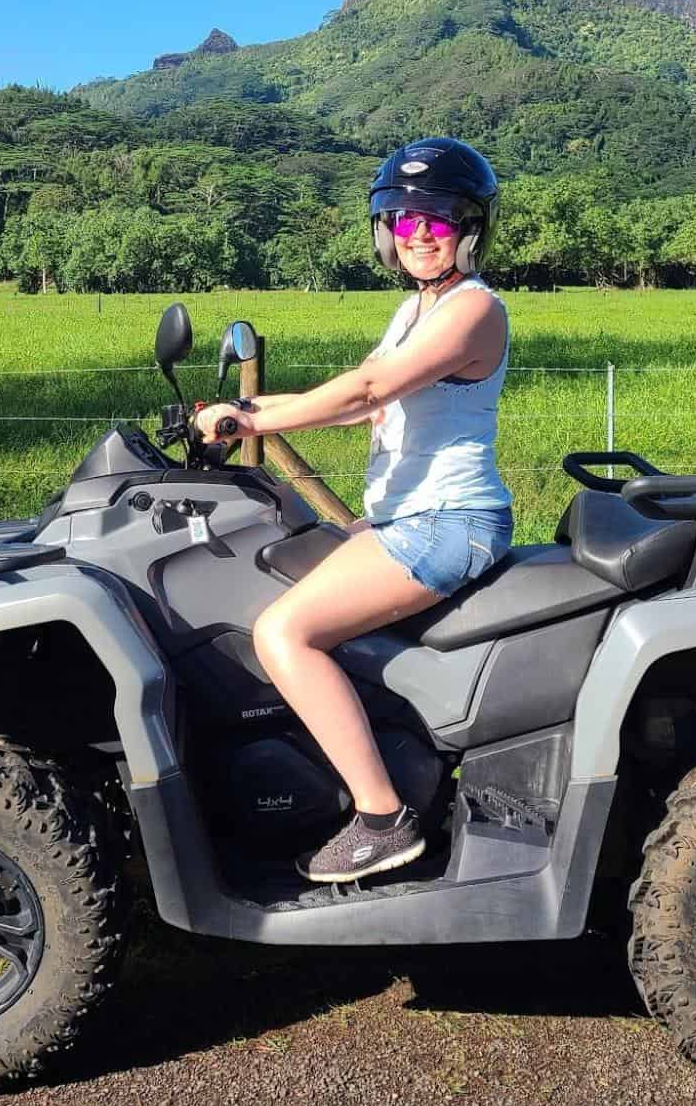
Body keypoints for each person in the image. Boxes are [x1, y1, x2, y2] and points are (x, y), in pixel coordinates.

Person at [194, 137, 512, 882]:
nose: (422, 233)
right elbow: (350, 405)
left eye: (438, 217)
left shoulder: (472, 312)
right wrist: (233, 409)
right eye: (404, 221)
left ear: (468, 226)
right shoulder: (414, 311)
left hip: (448, 522)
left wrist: (253, 423)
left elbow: (364, 394)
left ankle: (380, 817)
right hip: (408, 517)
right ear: (385, 234)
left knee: (285, 632)